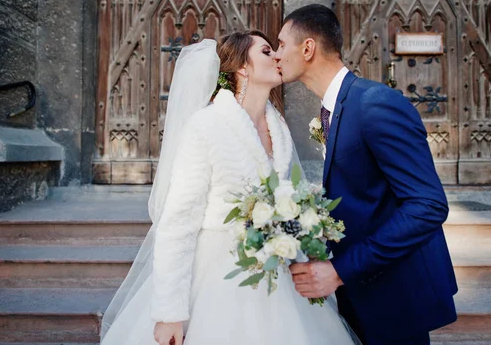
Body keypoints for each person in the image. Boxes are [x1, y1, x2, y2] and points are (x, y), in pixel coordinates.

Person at [100, 31, 358, 345]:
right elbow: (177, 222)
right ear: (242, 69)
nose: (276, 56)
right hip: (219, 276)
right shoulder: (206, 126)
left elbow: (291, 195)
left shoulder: (279, 127)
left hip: (278, 273)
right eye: (266, 51)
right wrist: (170, 312)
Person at [274, 4, 458, 345]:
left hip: (395, 295)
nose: (276, 55)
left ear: (308, 48)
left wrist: (341, 270)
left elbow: (427, 205)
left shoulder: (375, 103)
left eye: (282, 45)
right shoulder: (335, 108)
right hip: (363, 291)